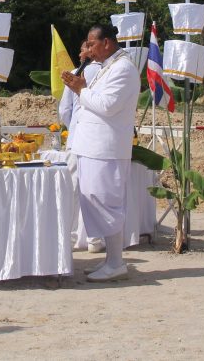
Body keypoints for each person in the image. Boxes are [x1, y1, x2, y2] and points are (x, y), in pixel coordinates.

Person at [61, 23, 140, 282]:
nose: (89, 49)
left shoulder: (123, 68)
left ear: (106, 43)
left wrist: (81, 89)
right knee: (95, 200)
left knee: (107, 203)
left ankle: (116, 262)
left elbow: (108, 105)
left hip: (106, 148)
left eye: (92, 44)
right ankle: (111, 260)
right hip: (92, 147)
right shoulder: (107, 66)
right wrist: (82, 86)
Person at [58, 39, 105, 254]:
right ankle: (95, 238)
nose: (79, 53)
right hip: (98, 139)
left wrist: (74, 128)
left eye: (83, 49)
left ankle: (69, 238)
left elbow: (64, 111)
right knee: (95, 189)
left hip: (78, 139)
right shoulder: (107, 72)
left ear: (90, 50)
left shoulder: (74, 74)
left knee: (73, 190)